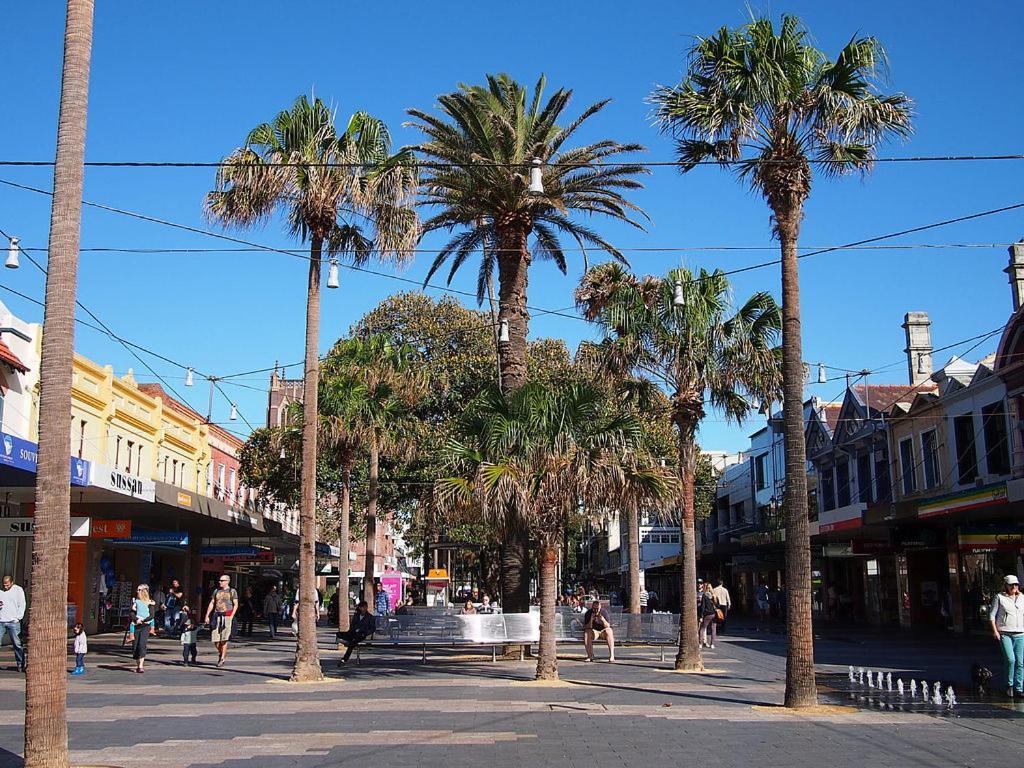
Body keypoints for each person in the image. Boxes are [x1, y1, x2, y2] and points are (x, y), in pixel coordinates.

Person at [990, 574, 1024, 698]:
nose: (1014, 587)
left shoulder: (1022, 598)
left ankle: (1019, 688)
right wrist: (995, 631)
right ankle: (1009, 685)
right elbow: (992, 615)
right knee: (1011, 659)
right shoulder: (999, 597)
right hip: (1005, 633)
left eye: (1016, 584)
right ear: (1006, 586)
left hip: (1020, 633)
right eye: (1011, 585)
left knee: (1020, 662)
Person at [204, 574, 238, 668]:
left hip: (227, 616)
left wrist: (231, 616)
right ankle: (221, 652)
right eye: (219, 580)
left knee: (224, 639)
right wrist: (207, 616)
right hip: (216, 616)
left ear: (227, 581)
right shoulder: (216, 591)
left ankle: (222, 658)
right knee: (215, 639)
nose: (220, 582)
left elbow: (236, 604)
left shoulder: (232, 591)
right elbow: (212, 603)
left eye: (222, 580)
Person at [0, 575, 27, 672]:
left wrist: (18, 617)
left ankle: (20, 663)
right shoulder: (1, 591)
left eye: (7, 585)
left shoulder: (18, 590)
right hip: (1, 620)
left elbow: (22, 603)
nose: (5, 587)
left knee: (17, 644)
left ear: (12, 583)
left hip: (13, 621)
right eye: (4, 585)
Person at [338, 601, 377, 665]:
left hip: (362, 634)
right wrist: (352, 630)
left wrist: (366, 633)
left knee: (352, 643)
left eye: (364, 607)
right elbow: (352, 625)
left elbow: (372, 629)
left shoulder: (370, 617)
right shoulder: (356, 616)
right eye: (361, 607)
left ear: (366, 607)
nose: (363, 609)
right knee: (339, 634)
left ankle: (344, 659)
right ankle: (347, 641)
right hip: (353, 633)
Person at [583, 598, 615, 663]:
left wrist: (602, 620)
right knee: (587, 633)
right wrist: (591, 620)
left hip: (603, 631)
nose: (596, 611)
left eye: (597, 609)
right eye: (594, 609)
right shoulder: (589, 613)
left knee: (609, 631)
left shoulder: (604, 612)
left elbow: (608, 626)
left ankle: (612, 655)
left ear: (600, 608)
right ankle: (590, 656)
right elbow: (587, 627)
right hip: (594, 631)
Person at [132, 584, 154, 673]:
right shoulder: (135, 602)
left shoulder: (150, 602)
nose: (137, 591)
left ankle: (141, 665)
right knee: (135, 646)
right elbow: (132, 613)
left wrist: (144, 620)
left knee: (142, 644)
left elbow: (152, 615)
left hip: (145, 626)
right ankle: (138, 665)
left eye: (139, 590)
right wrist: (136, 619)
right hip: (137, 625)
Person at [699, 582, 719, 649]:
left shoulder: (704, 596)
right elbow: (718, 605)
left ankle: (700, 643)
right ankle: (712, 644)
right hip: (714, 614)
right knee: (713, 629)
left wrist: (701, 615)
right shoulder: (714, 595)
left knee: (702, 628)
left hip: (707, 614)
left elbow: (703, 607)